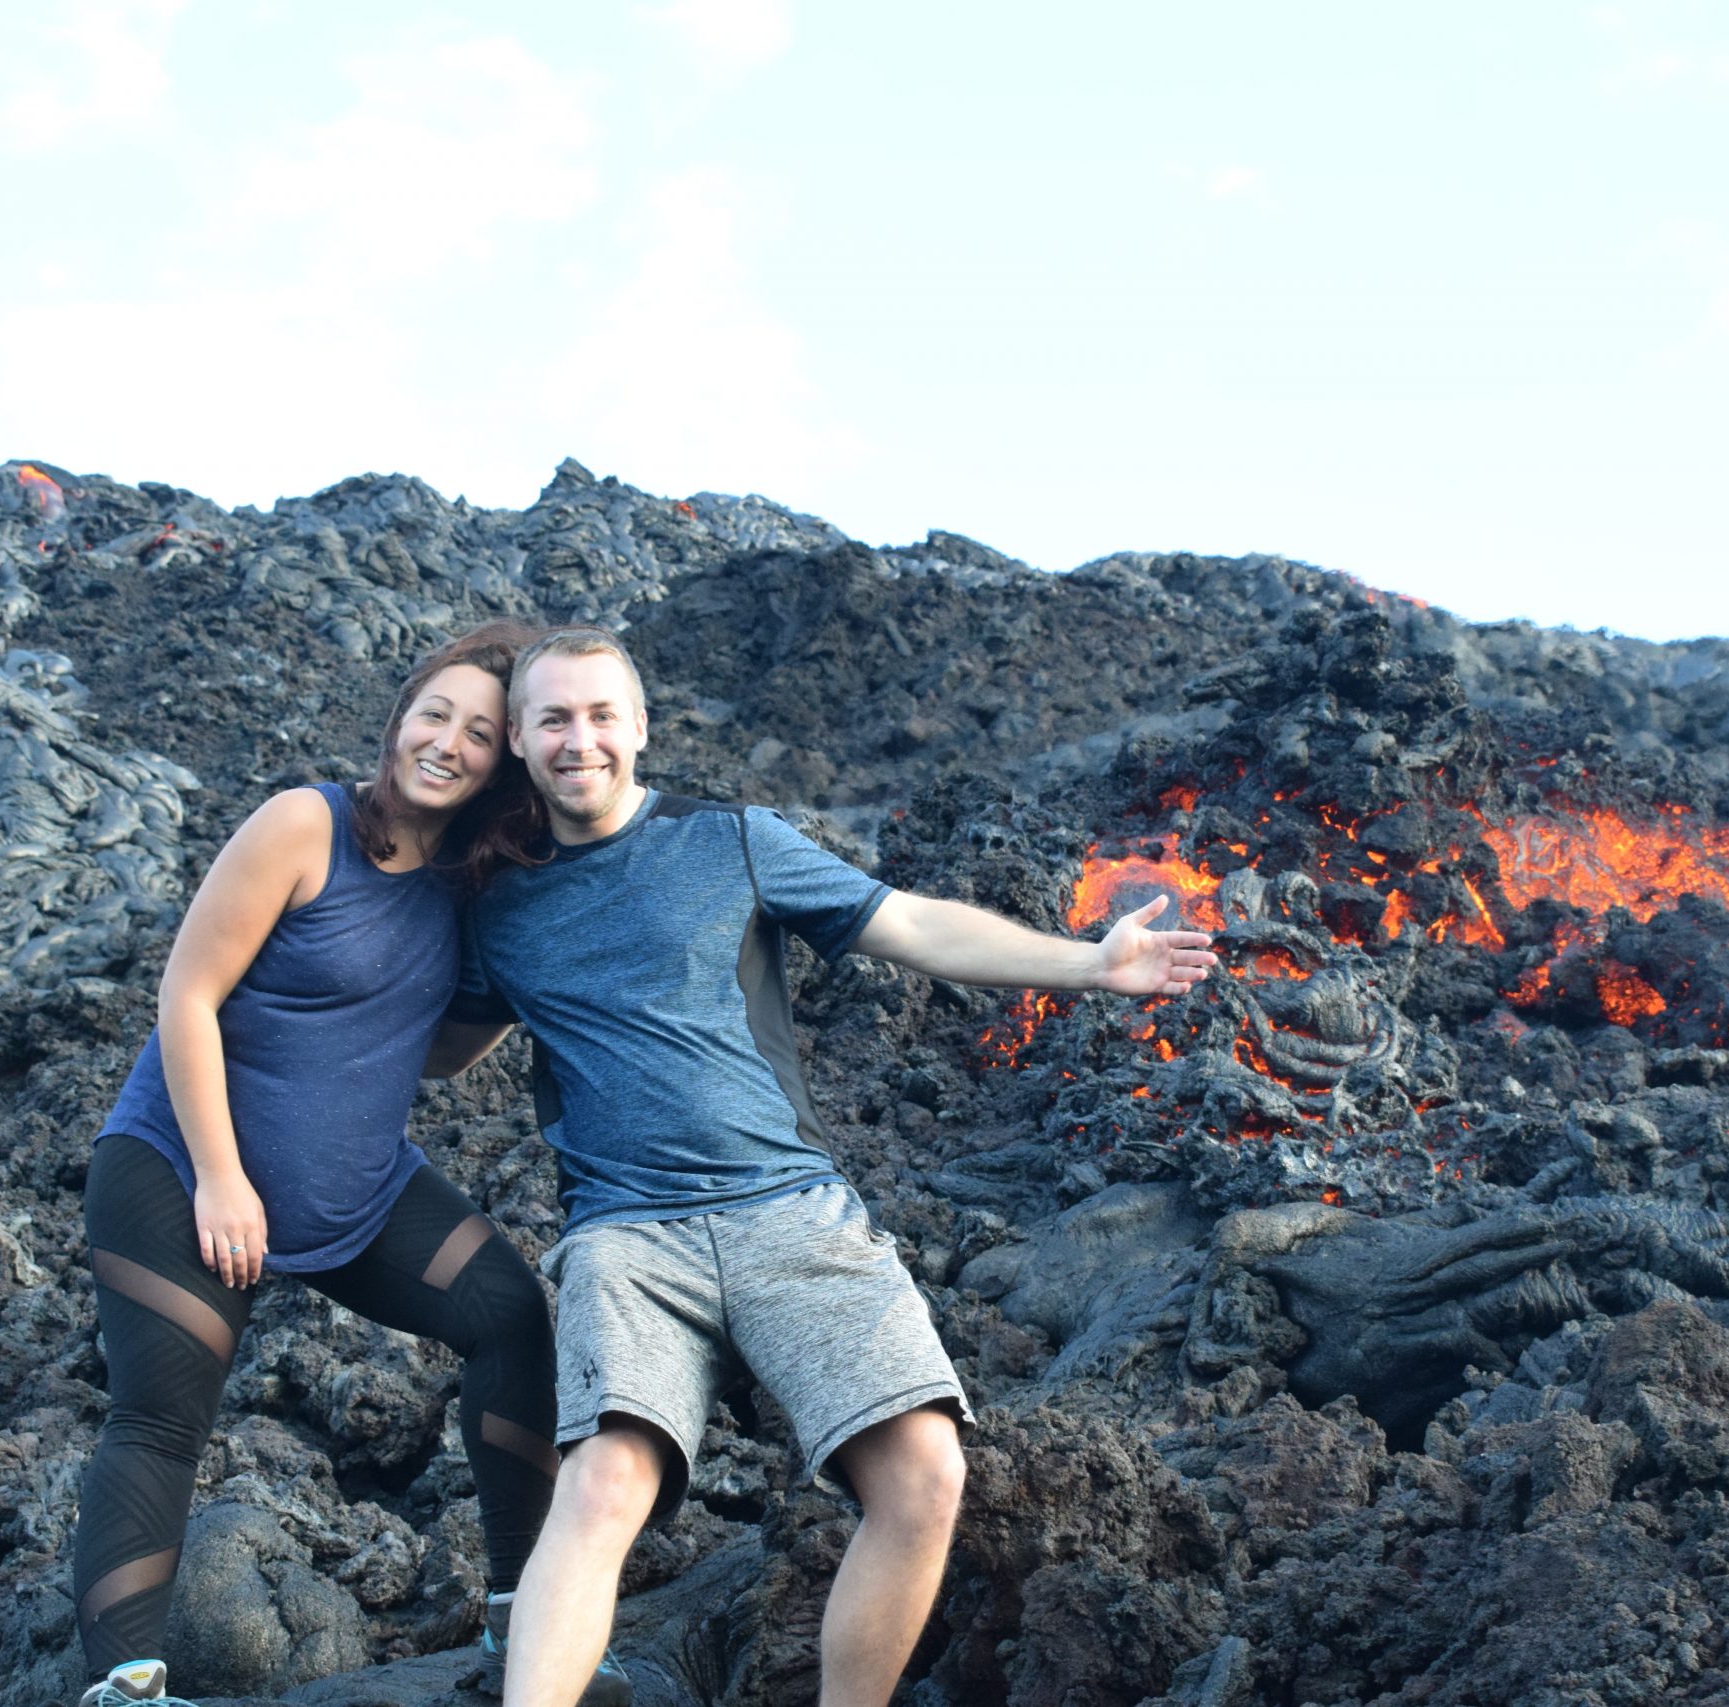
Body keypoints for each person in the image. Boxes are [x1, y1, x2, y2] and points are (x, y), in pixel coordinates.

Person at [430, 626, 1218, 1707]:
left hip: (788, 1211)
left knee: (926, 1476)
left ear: (642, 726)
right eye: (555, 720)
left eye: (603, 715)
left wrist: (1089, 964)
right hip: (626, 1233)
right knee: (602, 1485)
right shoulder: (494, 903)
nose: (581, 741)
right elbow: (425, 1044)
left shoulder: (733, 842)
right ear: (518, 740)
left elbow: (913, 928)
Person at [70, 623, 595, 1707]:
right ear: (400, 716)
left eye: (479, 732)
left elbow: (438, 1053)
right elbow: (187, 994)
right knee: (164, 1419)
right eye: (433, 714)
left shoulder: (467, 881)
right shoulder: (306, 825)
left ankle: (524, 1628)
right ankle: (123, 1688)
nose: (446, 742)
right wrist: (221, 1176)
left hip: (359, 1190)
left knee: (509, 1314)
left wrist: (520, 982)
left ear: (501, 763)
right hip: (180, 1170)